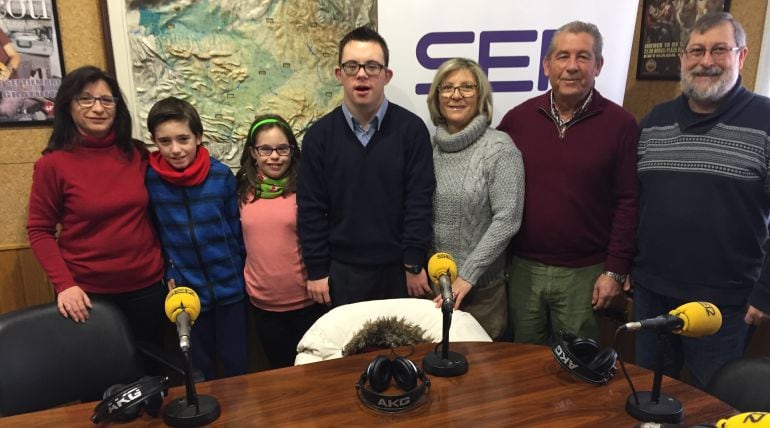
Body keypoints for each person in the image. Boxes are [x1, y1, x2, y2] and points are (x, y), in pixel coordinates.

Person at [632, 12, 770, 389]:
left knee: (712, 399)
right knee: (648, 392)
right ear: (683, 59)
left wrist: (766, 291)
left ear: (741, 57)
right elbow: (634, 202)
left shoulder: (765, 121)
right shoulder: (654, 122)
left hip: (724, 305)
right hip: (651, 294)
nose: (706, 61)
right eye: (696, 51)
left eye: (719, 50)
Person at [497, 21, 639, 344]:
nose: (572, 67)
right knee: (523, 366)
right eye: (563, 56)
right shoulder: (517, 120)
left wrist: (614, 270)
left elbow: (628, 202)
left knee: (578, 370)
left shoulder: (621, 125)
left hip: (586, 274)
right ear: (547, 65)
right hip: (523, 271)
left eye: (583, 57)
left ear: (599, 65)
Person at [27, 66, 166, 349]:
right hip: (87, 294)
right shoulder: (52, 165)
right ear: (68, 105)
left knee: (153, 378)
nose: (97, 108)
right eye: (86, 99)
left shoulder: (137, 153)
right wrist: (64, 285)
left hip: (148, 288)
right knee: (101, 383)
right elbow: (39, 230)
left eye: (106, 99)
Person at [297, 26, 436, 307]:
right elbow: (311, 209)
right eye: (352, 66)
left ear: (387, 75)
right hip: (341, 274)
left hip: (400, 271)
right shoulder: (318, 136)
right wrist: (316, 269)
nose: (362, 75)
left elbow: (419, 201)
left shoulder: (412, 130)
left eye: (372, 66)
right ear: (339, 74)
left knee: (402, 350)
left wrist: (413, 261)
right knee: (350, 350)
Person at [145, 96, 248, 379]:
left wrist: (239, 272)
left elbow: (236, 230)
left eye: (183, 139)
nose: (176, 149)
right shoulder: (150, 181)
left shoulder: (221, 176)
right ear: (154, 141)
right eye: (165, 141)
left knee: (236, 367)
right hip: (187, 295)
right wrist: (169, 269)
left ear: (198, 137)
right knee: (199, 371)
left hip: (230, 291)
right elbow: (153, 233)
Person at [426, 58, 525, 339]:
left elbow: (507, 219)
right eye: (447, 87)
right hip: (433, 289)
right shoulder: (428, 148)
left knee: (480, 377)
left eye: (467, 87)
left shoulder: (500, 148)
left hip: (481, 293)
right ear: (437, 97)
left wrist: (467, 276)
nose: (456, 95)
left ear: (481, 96)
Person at [237, 115, 328, 368]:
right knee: (280, 372)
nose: (274, 156)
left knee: (313, 371)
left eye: (282, 148)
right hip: (263, 303)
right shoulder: (241, 190)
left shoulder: (307, 188)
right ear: (253, 152)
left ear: (292, 150)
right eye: (265, 149)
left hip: (306, 300)